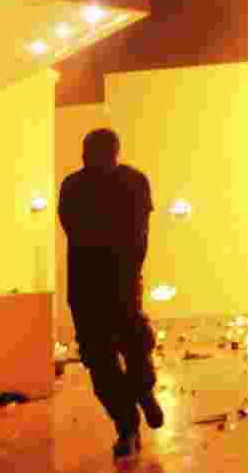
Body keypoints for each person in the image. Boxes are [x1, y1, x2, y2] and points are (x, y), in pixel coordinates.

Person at [57, 128, 163, 459]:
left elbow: (73, 228)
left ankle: (131, 418)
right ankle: (138, 404)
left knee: (108, 358)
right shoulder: (132, 182)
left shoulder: (76, 186)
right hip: (114, 283)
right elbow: (139, 234)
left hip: (91, 285)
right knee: (126, 348)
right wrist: (128, 269)